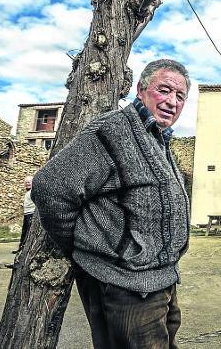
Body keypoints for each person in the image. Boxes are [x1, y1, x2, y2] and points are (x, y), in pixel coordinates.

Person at [32, 59, 191, 349]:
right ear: (141, 90)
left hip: (160, 281)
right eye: (164, 90)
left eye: (180, 96)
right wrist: (85, 243)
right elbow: (50, 187)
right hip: (124, 286)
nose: (172, 101)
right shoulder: (112, 131)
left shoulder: (158, 139)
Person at [14, 176, 35, 254]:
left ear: (33, 183)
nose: (27, 183)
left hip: (31, 214)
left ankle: (27, 250)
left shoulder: (33, 192)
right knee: (24, 232)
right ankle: (21, 249)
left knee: (29, 232)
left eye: (29, 182)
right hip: (26, 214)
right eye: (26, 182)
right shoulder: (27, 192)